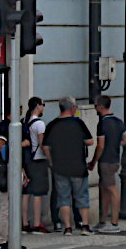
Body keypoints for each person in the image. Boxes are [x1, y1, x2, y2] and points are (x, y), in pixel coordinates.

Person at [42, 98, 95, 235]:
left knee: (63, 198)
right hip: (78, 166)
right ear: (72, 108)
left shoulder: (52, 125)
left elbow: (45, 146)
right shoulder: (78, 123)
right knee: (82, 197)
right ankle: (84, 226)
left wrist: (51, 161)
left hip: (59, 166)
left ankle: (67, 228)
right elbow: (90, 141)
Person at [0, 111, 31, 249]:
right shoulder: (4, 127)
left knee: (14, 205)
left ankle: (12, 238)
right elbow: (0, 148)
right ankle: (1, 239)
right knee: (6, 207)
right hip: (5, 171)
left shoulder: (16, 126)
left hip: (15, 169)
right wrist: (18, 144)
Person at [93, 94, 126, 234]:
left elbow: (100, 146)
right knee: (105, 189)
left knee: (112, 190)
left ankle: (114, 223)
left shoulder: (102, 123)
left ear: (101, 107)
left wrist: (93, 161)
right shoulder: (118, 121)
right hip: (115, 159)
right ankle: (102, 221)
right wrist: (116, 143)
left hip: (106, 161)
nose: (95, 108)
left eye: (96, 105)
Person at [24, 98, 50, 234]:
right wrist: (50, 158)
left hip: (27, 160)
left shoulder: (25, 121)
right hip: (38, 160)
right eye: (43, 105)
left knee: (26, 191)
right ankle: (36, 224)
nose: (43, 108)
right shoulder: (39, 124)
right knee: (38, 192)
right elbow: (42, 143)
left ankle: (23, 223)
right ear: (38, 106)